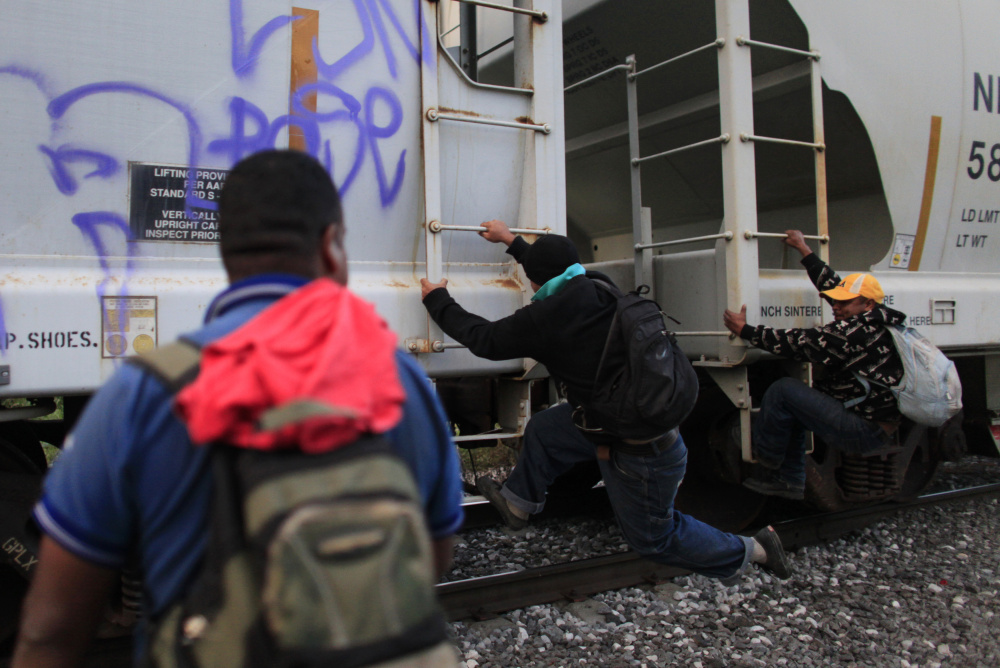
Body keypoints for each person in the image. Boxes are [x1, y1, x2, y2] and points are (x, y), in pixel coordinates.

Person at [13, 150, 464, 666]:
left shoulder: (142, 392)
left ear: (226, 254)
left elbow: (52, 629)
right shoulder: (399, 377)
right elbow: (433, 555)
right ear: (332, 247)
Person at [420, 219, 791, 585]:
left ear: (536, 282)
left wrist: (436, 298)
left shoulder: (546, 318)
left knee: (655, 539)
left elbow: (483, 339)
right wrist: (510, 240)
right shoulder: (599, 287)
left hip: (642, 452)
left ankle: (754, 550)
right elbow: (551, 264)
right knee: (547, 429)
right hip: (625, 419)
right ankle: (518, 503)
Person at [722, 229, 907, 500]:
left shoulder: (850, 333)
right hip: (876, 424)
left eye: (844, 302)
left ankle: (767, 460)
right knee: (797, 406)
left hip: (862, 428)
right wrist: (804, 249)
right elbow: (832, 286)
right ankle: (791, 482)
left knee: (784, 390)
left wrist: (746, 330)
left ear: (867, 304)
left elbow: (796, 343)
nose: (836, 305)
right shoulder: (881, 320)